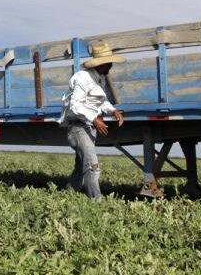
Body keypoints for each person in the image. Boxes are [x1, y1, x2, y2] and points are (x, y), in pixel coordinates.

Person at [58, 42, 163, 199]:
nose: (111, 65)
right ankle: (96, 201)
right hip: (78, 128)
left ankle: (69, 193)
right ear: (102, 63)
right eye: (109, 62)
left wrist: (112, 110)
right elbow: (75, 106)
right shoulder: (82, 78)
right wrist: (94, 119)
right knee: (93, 166)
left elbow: (102, 102)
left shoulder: (99, 78)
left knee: (81, 166)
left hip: (88, 127)